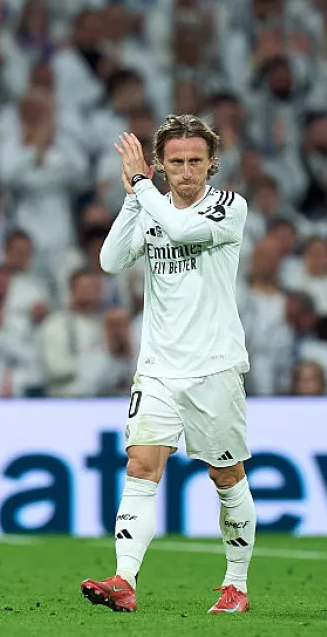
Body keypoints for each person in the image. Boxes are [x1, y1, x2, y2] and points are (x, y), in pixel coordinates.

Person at [81, 114, 252, 615]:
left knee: (226, 477)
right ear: (162, 164)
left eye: (195, 161)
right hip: (157, 367)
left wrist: (140, 185)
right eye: (175, 162)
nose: (186, 171)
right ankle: (124, 579)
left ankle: (235, 585)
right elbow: (111, 260)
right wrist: (135, 196)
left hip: (214, 367)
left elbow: (178, 226)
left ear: (212, 163)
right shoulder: (152, 204)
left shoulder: (228, 207)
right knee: (140, 465)